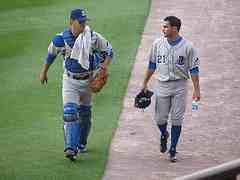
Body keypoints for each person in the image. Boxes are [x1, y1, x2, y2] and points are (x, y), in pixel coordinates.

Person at [39, 9, 114, 160]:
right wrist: (44, 71)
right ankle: (70, 148)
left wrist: (103, 68)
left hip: (88, 80)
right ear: (71, 22)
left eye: (84, 22)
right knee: (70, 113)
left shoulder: (92, 36)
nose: (83, 25)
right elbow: (51, 55)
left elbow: (109, 51)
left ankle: (81, 143)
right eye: (80, 22)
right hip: (70, 81)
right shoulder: (60, 39)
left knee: (85, 115)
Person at [142, 16, 200, 162]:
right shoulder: (157, 44)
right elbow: (152, 65)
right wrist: (144, 83)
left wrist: (196, 90)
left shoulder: (188, 47)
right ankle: (164, 134)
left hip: (180, 85)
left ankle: (173, 148)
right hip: (161, 85)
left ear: (175, 28)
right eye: (163, 27)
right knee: (160, 118)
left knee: (177, 118)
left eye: (166, 27)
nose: (163, 29)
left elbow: (193, 70)